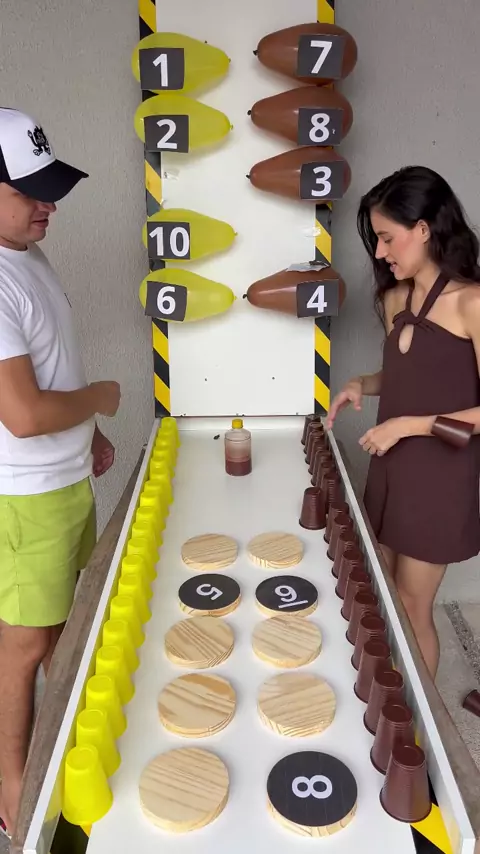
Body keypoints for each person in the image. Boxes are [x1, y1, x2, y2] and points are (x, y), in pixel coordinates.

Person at [0, 107, 121, 835]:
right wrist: (100, 398)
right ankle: (12, 783)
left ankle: (63, 746)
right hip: (29, 495)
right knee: (24, 645)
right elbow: (22, 414)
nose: (48, 206)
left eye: (50, 190)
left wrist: (90, 431)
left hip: (66, 481)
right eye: (29, 192)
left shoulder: (25, 255)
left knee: (62, 631)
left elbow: (52, 368)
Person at [327, 165, 480, 681]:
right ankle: (388, 701)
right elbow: (407, 375)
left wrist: (408, 426)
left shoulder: (472, 303)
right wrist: (361, 384)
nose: (379, 252)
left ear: (424, 228)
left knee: (414, 607)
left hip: (441, 477)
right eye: (376, 239)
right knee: (384, 595)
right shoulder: (396, 298)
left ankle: (417, 724)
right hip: (390, 468)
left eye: (387, 237)